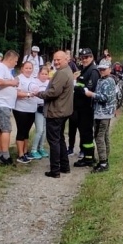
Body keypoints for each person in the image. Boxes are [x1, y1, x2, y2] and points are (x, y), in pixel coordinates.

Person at [40, 50, 75, 178]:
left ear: (66, 59)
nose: (56, 62)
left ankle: (55, 170)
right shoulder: (68, 71)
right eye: (54, 59)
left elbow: (53, 92)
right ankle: (65, 167)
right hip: (63, 111)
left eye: (58, 59)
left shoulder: (62, 73)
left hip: (56, 112)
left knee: (54, 141)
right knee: (60, 139)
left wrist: (39, 94)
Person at [87, 56, 118, 171]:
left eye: (104, 69)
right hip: (100, 113)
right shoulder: (101, 80)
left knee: (99, 137)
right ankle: (104, 160)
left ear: (109, 69)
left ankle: (103, 163)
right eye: (100, 69)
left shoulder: (109, 81)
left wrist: (91, 94)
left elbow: (105, 98)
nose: (101, 71)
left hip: (103, 114)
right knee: (104, 136)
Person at [0, 49, 19, 164]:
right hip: (1, 105)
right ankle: (5, 157)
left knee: (0, 131)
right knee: (6, 130)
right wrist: (13, 83)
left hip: (1, 104)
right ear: (10, 59)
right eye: (15, 61)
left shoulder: (6, 69)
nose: (16, 63)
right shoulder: (0, 67)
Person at [73, 48, 100, 167]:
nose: (84, 59)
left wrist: (76, 86)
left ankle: (89, 158)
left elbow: (89, 89)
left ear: (92, 57)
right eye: (82, 58)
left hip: (87, 107)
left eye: (87, 57)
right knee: (84, 133)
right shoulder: (84, 70)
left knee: (87, 132)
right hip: (80, 107)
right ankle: (87, 156)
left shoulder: (93, 71)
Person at [14, 59, 40, 163]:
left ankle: (25, 152)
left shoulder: (34, 79)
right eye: (26, 68)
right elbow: (17, 94)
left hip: (32, 109)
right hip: (21, 109)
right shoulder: (18, 79)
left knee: (26, 132)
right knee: (21, 130)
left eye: (30, 68)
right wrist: (29, 94)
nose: (28, 70)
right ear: (22, 69)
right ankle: (20, 154)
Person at [29, 65, 50, 159]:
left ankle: (41, 148)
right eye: (42, 74)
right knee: (40, 130)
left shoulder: (49, 83)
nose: (44, 76)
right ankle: (34, 149)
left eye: (46, 74)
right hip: (38, 108)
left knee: (45, 131)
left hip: (46, 108)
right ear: (38, 74)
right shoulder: (34, 82)